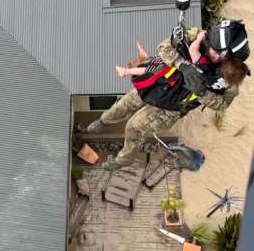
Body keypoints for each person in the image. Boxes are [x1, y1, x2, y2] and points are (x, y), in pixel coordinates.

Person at [88, 19, 250, 171]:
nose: (213, 54)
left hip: (173, 106)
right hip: (158, 82)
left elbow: (221, 105)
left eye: (220, 55)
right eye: (212, 49)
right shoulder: (195, 36)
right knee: (124, 104)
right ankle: (104, 121)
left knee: (134, 127)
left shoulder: (230, 79)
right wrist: (181, 64)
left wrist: (201, 91)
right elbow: (163, 47)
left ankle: (124, 159)